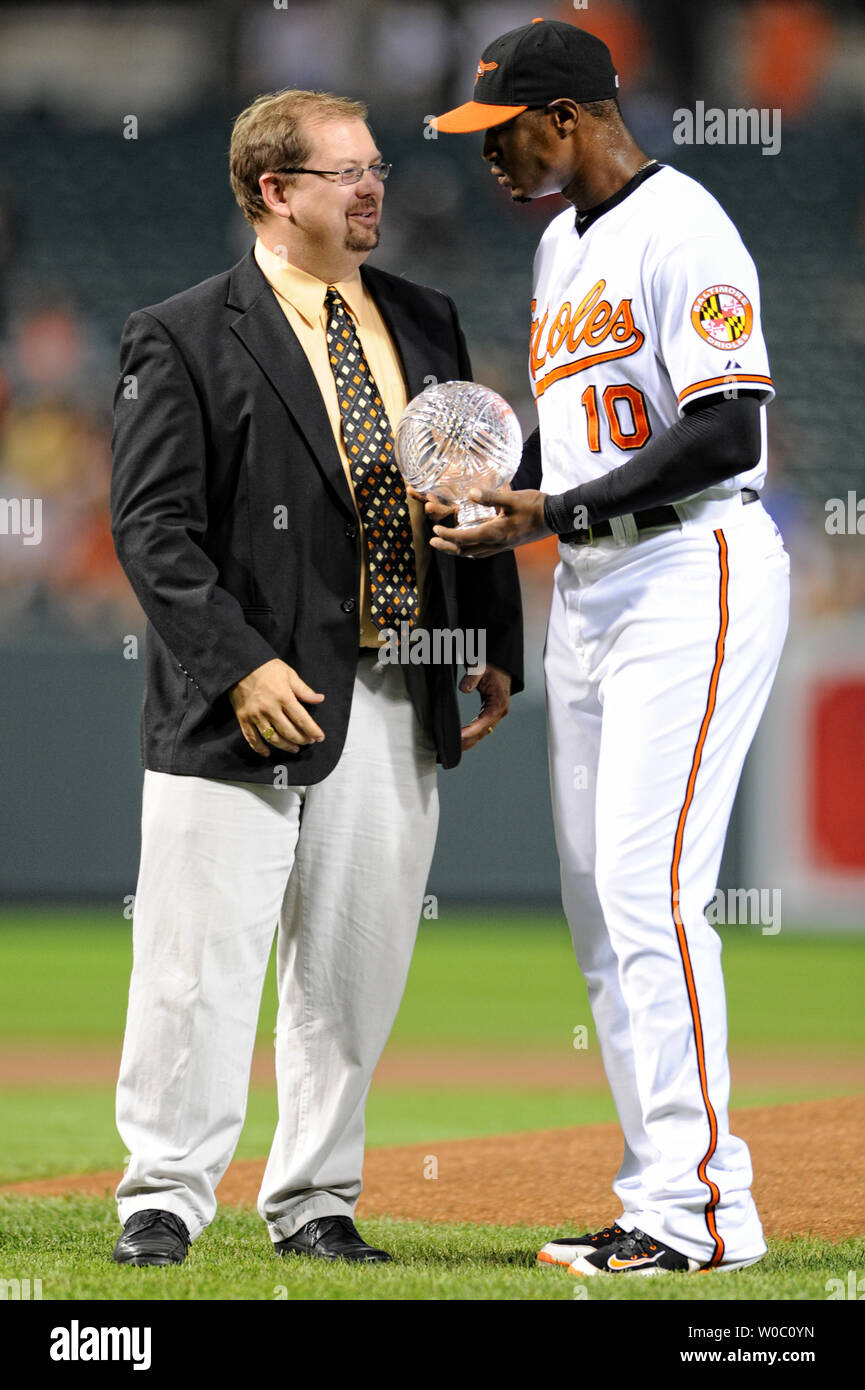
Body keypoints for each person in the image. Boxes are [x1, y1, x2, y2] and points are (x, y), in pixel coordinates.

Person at [109, 88, 523, 1267]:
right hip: (241, 702)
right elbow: (153, 530)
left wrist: (488, 636)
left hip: (396, 691)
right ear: (270, 191)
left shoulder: (426, 318)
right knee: (197, 964)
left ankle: (316, 1200)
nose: (372, 187)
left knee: (353, 969)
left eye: (374, 166)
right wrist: (240, 667)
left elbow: (470, 482)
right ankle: (164, 1197)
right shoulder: (182, 332)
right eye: (343, 171)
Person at [430, 19, 789, 1276]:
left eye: (502, 132)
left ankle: (704, 1213)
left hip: (691, 567)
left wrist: (554, 509)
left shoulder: (685, 228)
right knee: (600, 908)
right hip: (591, 585)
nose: (486, 158)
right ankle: (655, 1195)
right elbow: (572, 443)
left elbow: (727, 432)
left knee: (650, 893)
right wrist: (506, 493)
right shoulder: (554, 247)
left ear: (569, 117)